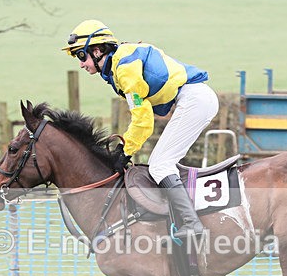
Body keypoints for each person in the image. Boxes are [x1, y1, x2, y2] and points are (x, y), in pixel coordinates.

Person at [61, 19, 218, 241]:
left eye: (81, 56)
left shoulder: (124, 69)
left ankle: (192, 224)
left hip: (194, 100)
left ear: (96, 51)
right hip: (194, 98)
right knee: (162, 163)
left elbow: (143, 119)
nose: (81, 64)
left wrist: (126, 151)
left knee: (160, 165)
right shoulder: (120, 62)